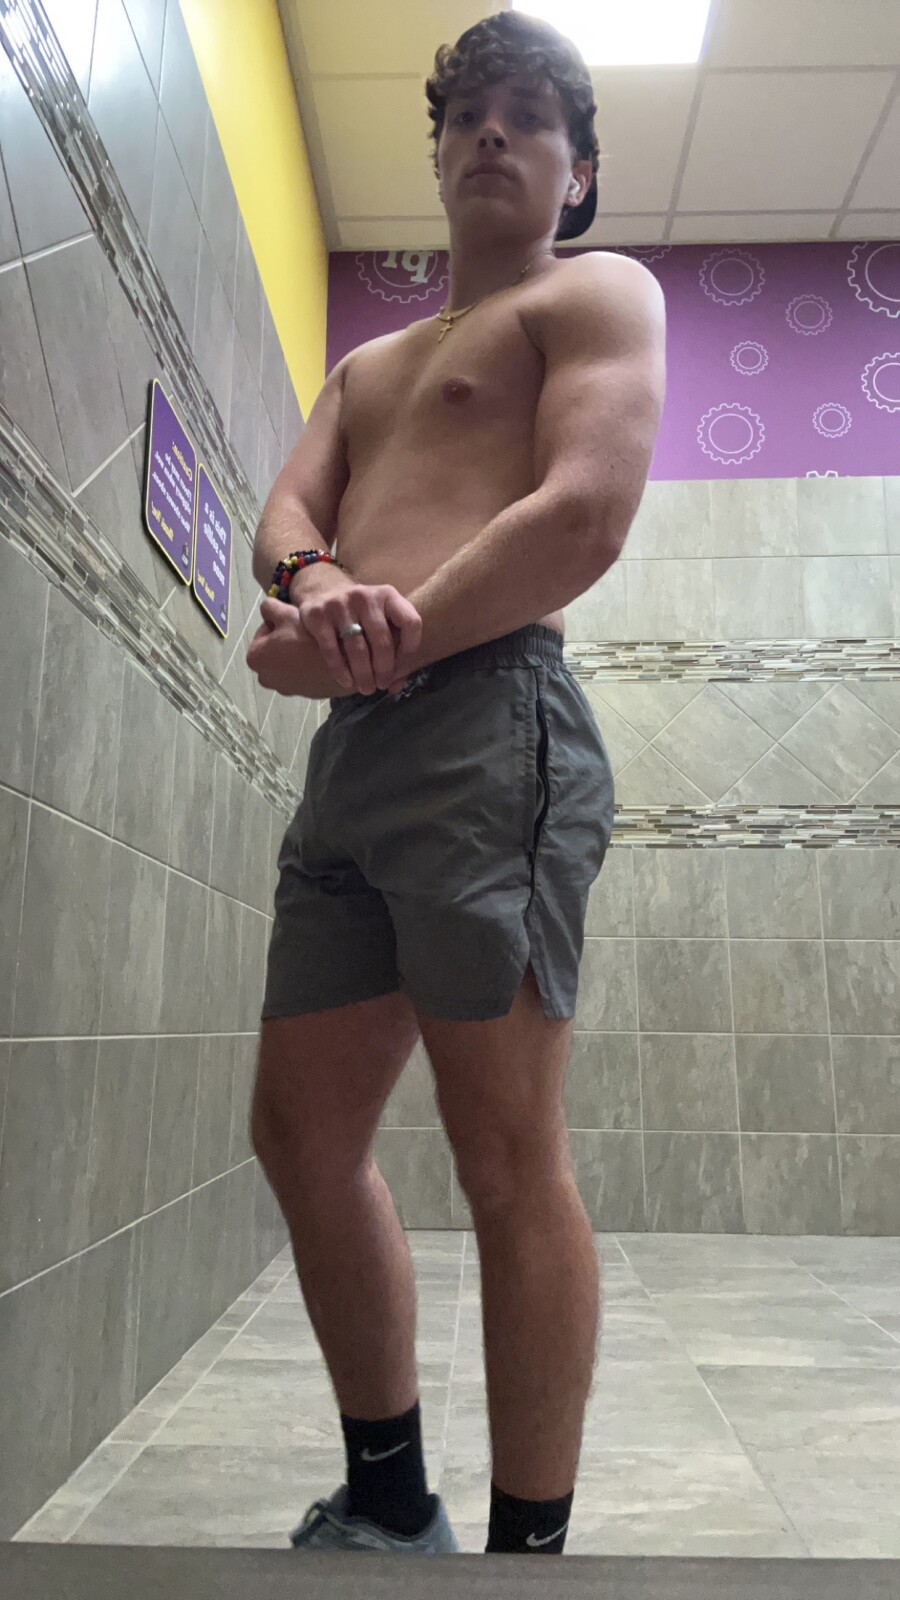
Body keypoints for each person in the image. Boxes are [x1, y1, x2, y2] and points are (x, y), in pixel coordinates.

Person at [245, 8, 665, 1559]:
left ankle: (527, 1557)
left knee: (504, 1157)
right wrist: (314, 585)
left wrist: (376, 637)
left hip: (493, 728)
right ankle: (388, 1498)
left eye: (529, 116)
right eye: (468, 112)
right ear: (435, 154)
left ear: (577, 172)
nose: (492, 131)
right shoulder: (367, 364)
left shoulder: (593, 294)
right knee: (300, 1135)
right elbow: (286, 514)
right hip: (356, 760)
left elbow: (585, 513)